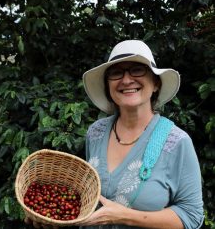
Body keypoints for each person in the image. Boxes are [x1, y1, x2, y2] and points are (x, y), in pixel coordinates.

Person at [79, 40, 204, 229]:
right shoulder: (96, 132)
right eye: (116, 73)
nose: (127, 80)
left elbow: (192, 216)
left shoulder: (177, 142)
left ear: (155, 84)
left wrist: (125, 216)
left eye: (137, 70)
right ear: (108, 86)